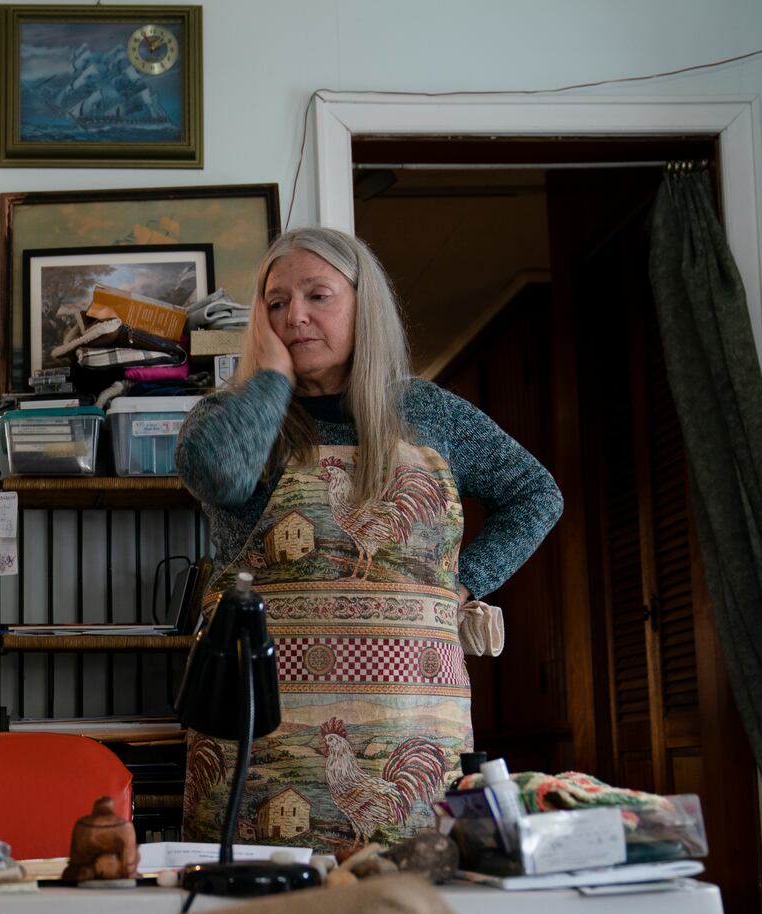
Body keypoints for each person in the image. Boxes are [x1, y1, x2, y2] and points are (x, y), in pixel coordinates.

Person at [176, 226, 562, 853]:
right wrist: (269, 378)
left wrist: (459, 584)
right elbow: (217, 473)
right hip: (261, 732)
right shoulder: (235, 416)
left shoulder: (431, 413)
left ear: (363, 305)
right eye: (275, 302)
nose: (294, 315)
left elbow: (537, 494)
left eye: (317, 295)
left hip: (409, 727)